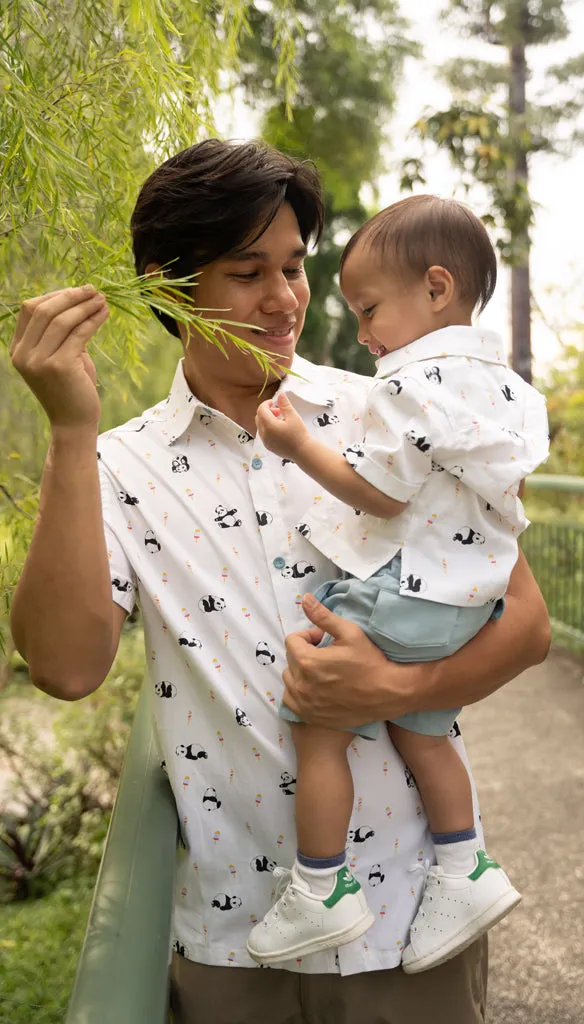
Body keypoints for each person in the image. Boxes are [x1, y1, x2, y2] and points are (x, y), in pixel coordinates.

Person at [9, 138, 550, 1024]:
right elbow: (66, 670)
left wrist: (397, 686)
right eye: (246, 271)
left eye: (294, 267)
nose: (284, 299)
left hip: (413, 923)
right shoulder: (116, 467)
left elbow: (525, 626)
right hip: (236, 937)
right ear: (171, 286)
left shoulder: (390, 411)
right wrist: (70, 431)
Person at [249, 195, 549, 974]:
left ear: (438, 288)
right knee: (424, 733)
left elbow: (377, 493)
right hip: (470, 601)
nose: (362, 332)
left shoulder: (409, 382)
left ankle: (320, 887)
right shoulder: (507, 387)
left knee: (318, 719)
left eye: (369, 307)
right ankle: (465, 868)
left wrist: (294, 443)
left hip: (410, 591)